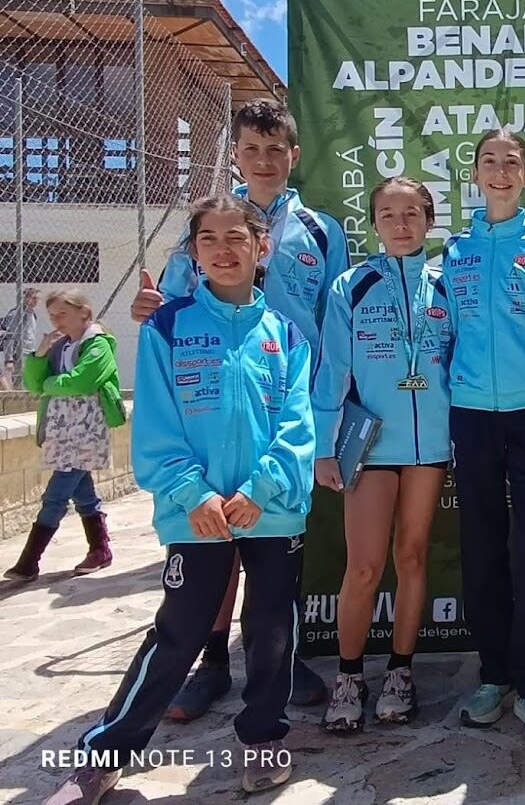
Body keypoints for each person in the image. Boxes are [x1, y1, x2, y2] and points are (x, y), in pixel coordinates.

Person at [44, 194, 314, 804]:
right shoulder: (167, 328)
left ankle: (265, 740)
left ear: (260, 247)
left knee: (271, 627)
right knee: (179, 631)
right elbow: (157, 427)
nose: (224, 249)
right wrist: (193, 493)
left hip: (270, 510)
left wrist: (259, 489)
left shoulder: (288, 335)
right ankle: (105, 753)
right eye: (209, 239)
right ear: (193, 253)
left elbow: (297, 425)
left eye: (236, 237)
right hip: (195, 515)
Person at [130, 98, 346, 719]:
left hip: (289, 404)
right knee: (214, 539)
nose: (264, 159)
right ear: (237, 155)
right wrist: (152, 308)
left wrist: (327, 410)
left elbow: (338, 324)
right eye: (251, 149)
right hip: (209, 410)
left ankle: (279, 659)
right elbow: (170, 301)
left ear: (294, 155)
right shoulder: (207, 222)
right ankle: (212, 662)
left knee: (279, 542)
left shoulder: (322, 230)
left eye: (275, 149)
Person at [442, 128, 525, 743]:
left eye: (512, 163)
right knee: (481, 546)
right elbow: (439, 333)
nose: (500, 171)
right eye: (489, 161)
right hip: (470, 412)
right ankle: (493, 675)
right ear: (475, 174)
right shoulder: (453, 251)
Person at [312, 177, 453, 731]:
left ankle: (401, 670)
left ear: (428, 219)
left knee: (412, 556)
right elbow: (330, 373)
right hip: (370, 445)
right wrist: (326, 449)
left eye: (412, 213)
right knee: (365, 565)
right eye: (388, 213)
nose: (401, 223)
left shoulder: (446, 284)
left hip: (431, 444)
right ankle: (349, 675)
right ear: (373, 223)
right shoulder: (352, 283)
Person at [4, 290, 125, 581]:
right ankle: (100, 549)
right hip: (61, 430)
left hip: (85, 430)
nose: (57, 321)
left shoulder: (98, 344)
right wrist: (41, 353)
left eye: (63, 314)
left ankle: (29, 561)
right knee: (83, 493)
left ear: (84, 312)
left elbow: (82, 381)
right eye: (52, 316)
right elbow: (34, 384)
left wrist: (49, 384)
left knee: (55, 496)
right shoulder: (60, 346)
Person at [0, 286, 39, 390]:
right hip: (19, 354)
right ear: (25, 298)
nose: (36, 301)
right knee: (19, 384)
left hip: (30, 352)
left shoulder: (32, 314)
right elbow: (9, 336)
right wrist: (9, 360)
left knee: (28, 382)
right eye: (33, 298)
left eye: (37, 299)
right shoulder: (16, 314)